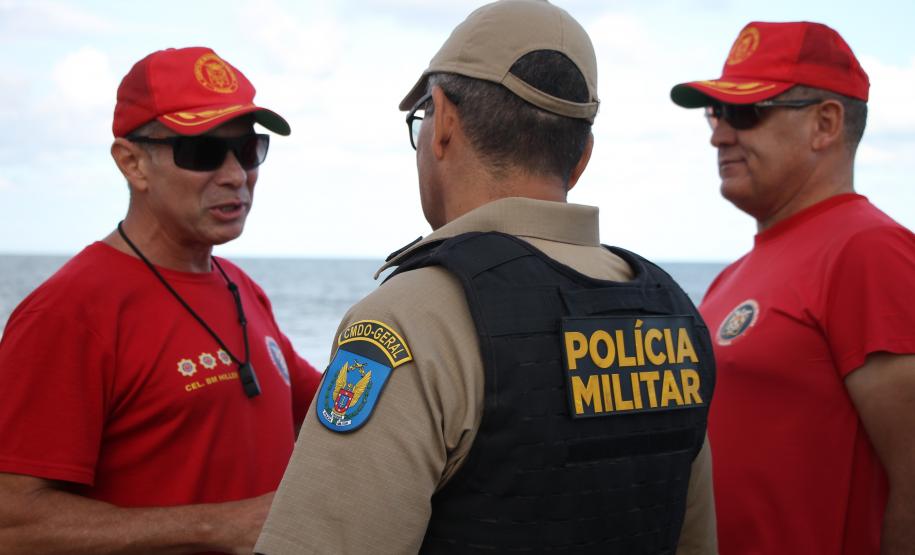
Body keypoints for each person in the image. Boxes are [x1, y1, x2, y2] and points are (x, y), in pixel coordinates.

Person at [256, 1, 717, 553]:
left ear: (444, 120)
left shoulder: (415, 318)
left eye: (422, 118)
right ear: (581, 156)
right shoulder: (671, 313)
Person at [0, 47, 322, 554]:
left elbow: (327, 409)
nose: (236, 174)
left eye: (248, 149)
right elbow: (12, 524)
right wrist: (221, 528)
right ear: (132, 163)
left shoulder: (239, 284)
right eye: (203, 153)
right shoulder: (68, 313)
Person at [670, 21, 915, 554]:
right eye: (717, 113)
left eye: (744, 112)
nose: (718, 134)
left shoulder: (869, 252)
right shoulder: (732, 277)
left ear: (825, 124)